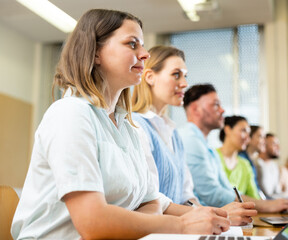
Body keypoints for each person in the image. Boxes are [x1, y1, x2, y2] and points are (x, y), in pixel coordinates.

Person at [11, 9, 231, 239]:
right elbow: (93, 222)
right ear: (96, 52)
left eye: (143, 45)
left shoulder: (128, 126)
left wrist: (132, 217)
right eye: (132, 44)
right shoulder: (70, 114)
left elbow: (152, 201)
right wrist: (183, 226)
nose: (145, 54)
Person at [131, 45, 257, 225]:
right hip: (158, 230)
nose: (184, 83)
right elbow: (148, 199)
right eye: (176, 74)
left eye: (185, 76)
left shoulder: (173, 133)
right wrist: (217, 214)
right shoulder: (137, 126)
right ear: (150, 77)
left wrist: (205, 215)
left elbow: (186, 195)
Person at [179, 83, 288, 213]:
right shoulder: (190, 139)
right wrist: (265, 206)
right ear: (195, 109)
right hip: (199, 218)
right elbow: (211, 194)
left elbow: (228, 189)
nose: (222, 110)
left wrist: (269, 204)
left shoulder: (208, 148)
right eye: (215, 105)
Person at [217, 116, 260, 199]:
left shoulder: (245, 164)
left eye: (249, 134)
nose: (248, 138)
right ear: (227, 130)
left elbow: (254, 197)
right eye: (243, 131)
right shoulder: (212, 156)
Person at [238, 125, 265, 192]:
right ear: (249, 137)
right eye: (260, 136)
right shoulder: (241, 159)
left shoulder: (254, 161)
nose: (264, 141)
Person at [257, 133, 282, 198]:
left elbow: (277, 191)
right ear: (264, 145)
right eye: (274, 144)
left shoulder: (274, 166)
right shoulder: (256, 164)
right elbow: (266, 193)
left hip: (273, 200)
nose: (278, 147)